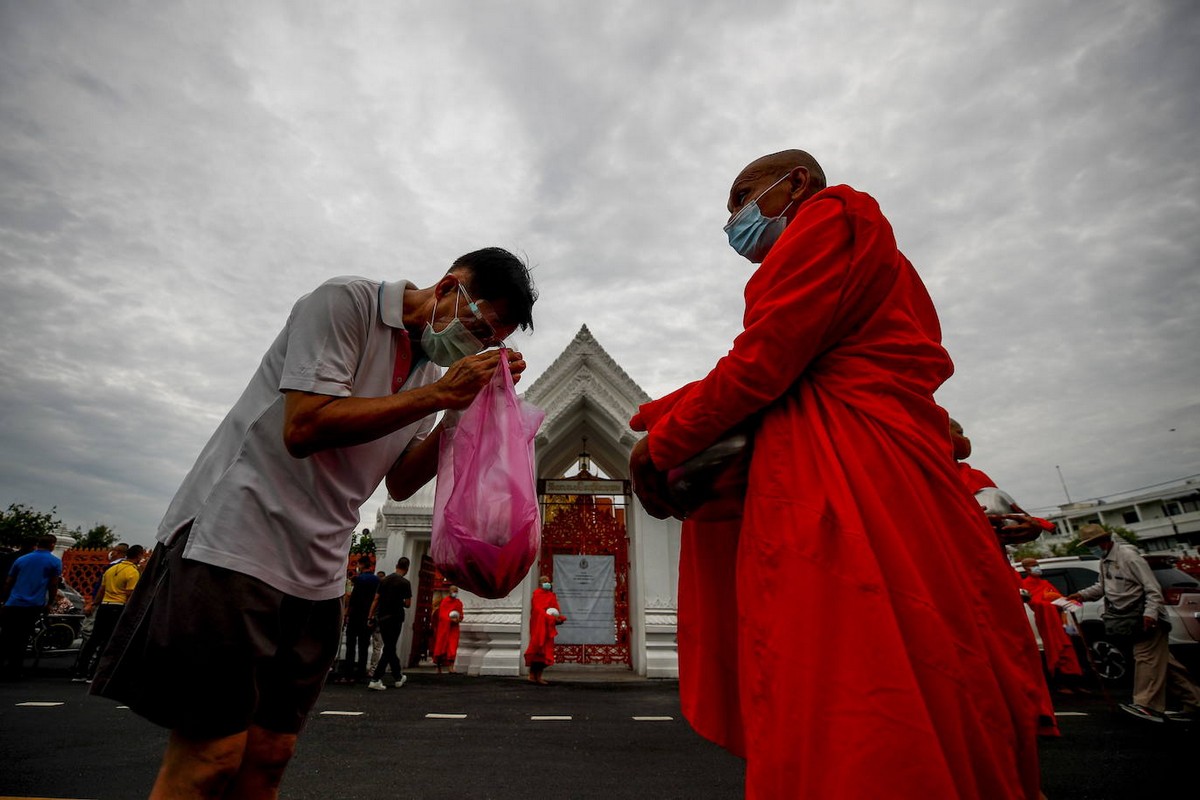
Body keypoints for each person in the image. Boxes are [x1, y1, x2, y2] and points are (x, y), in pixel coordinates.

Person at [628, 150, 1048, 799]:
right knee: (929, 662)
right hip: (888, 471)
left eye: (743, 197)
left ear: (796, 184)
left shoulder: (832, 217)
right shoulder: (879, 264)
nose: (734, 220)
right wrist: (673, 417)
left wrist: (666, 443)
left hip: (849, 481)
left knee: (852, 673)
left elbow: (764, 362)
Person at [91, 248, 536, 798]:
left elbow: (399, 481)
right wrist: (443, 392)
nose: (475, 344)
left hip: (321, 567)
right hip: (237, 541)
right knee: (211, 756)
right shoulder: (347, 303)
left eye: (490, 341)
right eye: (477, 326)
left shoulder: (427, 370)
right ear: (448, 288)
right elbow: (304, 425)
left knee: (270, 757)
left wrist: (459, 411)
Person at [1068, 523, 1200, 722]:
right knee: (1165, 664)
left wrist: (1150, 615)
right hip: (1129, 619)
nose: (1091, 549)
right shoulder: (1105, 562)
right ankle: (1195, 702)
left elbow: (1153, 588)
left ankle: (1146, 705)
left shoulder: (1129, 557)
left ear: (1103, 541)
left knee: (1145, 658)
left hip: (1146, 619)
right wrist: (1080, 595)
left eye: (1092, 544)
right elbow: (1103, 588)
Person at [949, 419, 1053, 547]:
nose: (967, 439)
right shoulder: (921, 480)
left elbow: (1007, 518)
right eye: (960, 433)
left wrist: (1030, 528)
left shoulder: (975, 476)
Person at [72, 544, 144, 682]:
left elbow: (101, 590)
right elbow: (130, 595)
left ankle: (80, 671)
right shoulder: (132, 572)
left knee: (94, 639)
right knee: (108, 641)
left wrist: (93, 604)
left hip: (104, 606)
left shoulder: (111, 569)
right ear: (139, 556)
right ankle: (94, 673)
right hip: (118, 607)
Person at [1018, 558, 1085, 692]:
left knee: (1070, 650)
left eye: (1037, 564)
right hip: (1047, 622)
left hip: (1061, 620)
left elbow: (1059, 598)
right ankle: (1061, 684)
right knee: (1054, 650)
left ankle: (1075, 683)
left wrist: (1069, 603)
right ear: (1026, 569)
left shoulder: (1045, 583)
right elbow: (1033, 603)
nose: (1037, 567)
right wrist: (1050, 605)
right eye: (1033, 565)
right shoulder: (1025, 585)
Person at [0, 534, 62, 679]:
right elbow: (53, 584)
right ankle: (14, 669)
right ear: (53, 545)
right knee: (22, 638)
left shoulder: (21, 559)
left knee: (6, 636)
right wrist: (50, 603)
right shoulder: (54, 561)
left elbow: (9, 581)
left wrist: (4, 600)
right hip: (33, 605)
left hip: (13, 603)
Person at [367, 557, 412, 691]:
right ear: (407, 568)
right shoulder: (405, 583)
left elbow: (376, 599)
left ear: (396, 565)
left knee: (389, 647)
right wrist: (399, 601)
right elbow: (408, 604)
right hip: (396, 617)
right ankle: (375, 679)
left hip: (383, 617)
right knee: (389, 648)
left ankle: (398, 677)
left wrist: (370, 616)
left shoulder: (384, 580)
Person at [336, 556, 380, 685]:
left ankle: (348, 673)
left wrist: (347, 613)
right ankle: (361, 672)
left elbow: (353, 599)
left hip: (355, 615)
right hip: (367, 616)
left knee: (350, 645)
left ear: (361, 565)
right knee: (364, 645)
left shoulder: (359, 580)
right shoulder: (376, 580)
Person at [524, 575, 565, 685]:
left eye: (548, 581)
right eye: (544, 581)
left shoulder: (551, 596)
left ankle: (538, 676)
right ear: (540, 584)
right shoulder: (536, 595)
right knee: (537, 648)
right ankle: (532, 675)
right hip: (538, 626)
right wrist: (551, 618)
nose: (547, 583)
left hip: (548, 627)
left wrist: (559, 618)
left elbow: (555, 609)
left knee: (546, 651)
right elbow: (538, 610)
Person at [432, 585, 464, 674]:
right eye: (453, 591)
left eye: (456, 591)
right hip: (444, 628)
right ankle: (438, 667)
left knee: (452, 647)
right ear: (449, 592)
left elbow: (460, 614)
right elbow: (442, 615)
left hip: (454, 628)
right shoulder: (445, 602)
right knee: (441, 647)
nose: (455, 593)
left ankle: (451, 667)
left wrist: (458, 619)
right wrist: (450, 619)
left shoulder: (458, 603)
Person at [366, 570, 387, 676]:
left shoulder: (377, 591)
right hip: (381, 619)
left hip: (377, 619)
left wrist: (370, 616)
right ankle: (373, 668)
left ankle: (373, 668)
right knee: (377, 645)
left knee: (376, 645)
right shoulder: (386, 590)